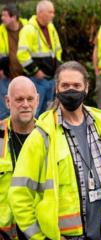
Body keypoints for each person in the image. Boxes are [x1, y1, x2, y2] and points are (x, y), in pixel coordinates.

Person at [8, 61, 101, 239]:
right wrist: (39, 237)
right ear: (57, 89)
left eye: (76, 85)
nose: (71, 90)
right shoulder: (41, 137)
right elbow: (19, 195)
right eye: (65, 85)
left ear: (86, 88)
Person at [0, 76, 38, 240]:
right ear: (7, 101)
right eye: (19, 99)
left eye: (30, 99)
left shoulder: (49, 136)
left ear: (37, 100)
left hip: (39, 232)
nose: (25, 104)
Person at [17, 0, 62, 117]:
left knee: (48, 111)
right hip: (37, 79)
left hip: (51, 78)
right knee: (35, 111)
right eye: (50, 12)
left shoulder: (51, 27)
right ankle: (32, 134)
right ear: (41, 12)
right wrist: (35, 71)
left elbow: (58, 49)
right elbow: (22, 54)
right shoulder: (28, 29)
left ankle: (45, 134)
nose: (53, 15)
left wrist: (58, 68)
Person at [0, 3, 27, 120]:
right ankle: (3, 133)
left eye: (5, 15)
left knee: (24, 105)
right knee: (5, 107)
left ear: (14, 17)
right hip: (5, 75)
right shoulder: (1, 31)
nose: (2, 18)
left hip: (27, 75)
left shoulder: (28, 28)